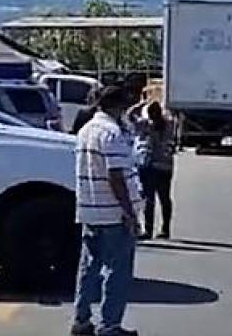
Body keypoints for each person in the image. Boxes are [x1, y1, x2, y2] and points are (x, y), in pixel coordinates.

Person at [72, 84, 143, 336]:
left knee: (88, 268)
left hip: (90, 210)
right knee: (117, 270)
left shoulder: (85, 130)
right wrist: (129, 213)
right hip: (113, 212)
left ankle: (81, 321)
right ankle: (110, 325)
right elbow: (116, 177)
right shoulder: (111, 133)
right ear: (119, 107)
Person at [130, 99, 177, 239]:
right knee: (165, 198)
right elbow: (173, 117)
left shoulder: (146, 125)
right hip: (165, 166)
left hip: (149, 166)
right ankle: (165, 229)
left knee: (148, 199)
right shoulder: (169, 125)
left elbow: (129, 115)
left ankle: (148, 229)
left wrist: (140, 104)